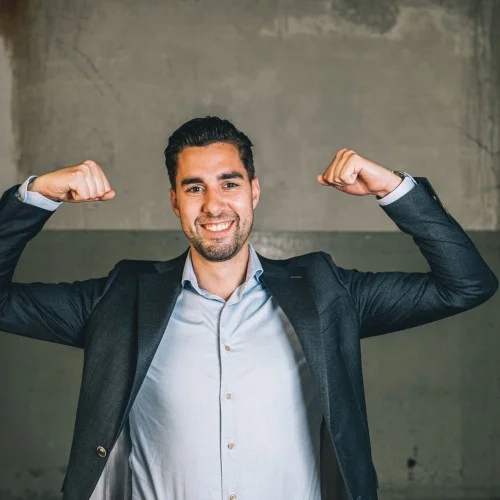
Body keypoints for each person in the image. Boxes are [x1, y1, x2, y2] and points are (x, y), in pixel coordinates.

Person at [0, 116, 497, 500]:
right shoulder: (120, 297)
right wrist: (35, 196)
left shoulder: (326, 291)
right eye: (194, 187)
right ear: (174, 201)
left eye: (229, 183)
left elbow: (466, 284)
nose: (213, 205)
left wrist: (393, 189)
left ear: (254, 192)